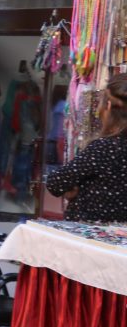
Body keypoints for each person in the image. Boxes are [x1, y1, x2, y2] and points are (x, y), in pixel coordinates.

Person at [46, 72, 127, 221]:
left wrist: (73, 187)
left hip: (91, 231)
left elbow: (55, 183)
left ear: (108, 106)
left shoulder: (104, 148)